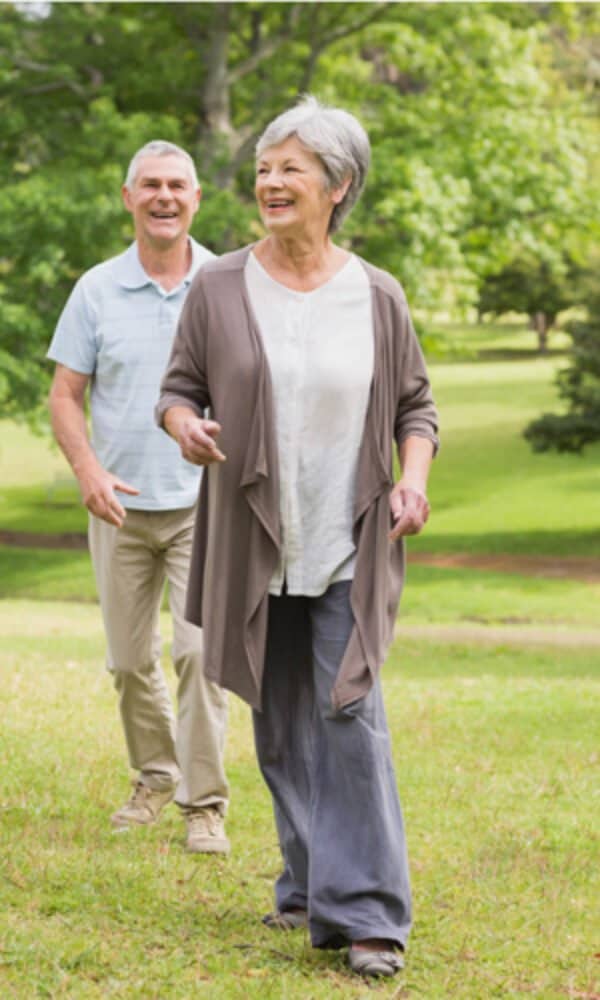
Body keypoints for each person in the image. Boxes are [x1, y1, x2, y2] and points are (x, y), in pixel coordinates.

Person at [156, 97, 439, 975]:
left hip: (347, 538)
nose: (272, 183)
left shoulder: (376, 295)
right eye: (266, 168)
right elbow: (179, 387)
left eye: (292, 168)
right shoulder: (219, 285)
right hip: (254, 542)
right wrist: (183, 426)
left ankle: (371, 919)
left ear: (338, 184)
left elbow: (416, 408)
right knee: (279, 725)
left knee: (349, 714)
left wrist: (414, 481)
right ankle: (308, 884)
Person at [47, 140, 229, 854]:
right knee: (129, 662)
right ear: (128, 198)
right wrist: (87, 468)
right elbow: (65, 393)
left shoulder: (225, 282)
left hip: (202, 505)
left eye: (177, 185)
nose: (164, 197)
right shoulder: (95, 288)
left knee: (200, 653)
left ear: (196, 198)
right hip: (117, 506)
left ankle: (203, 805)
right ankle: (156, 776)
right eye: (150, 185)